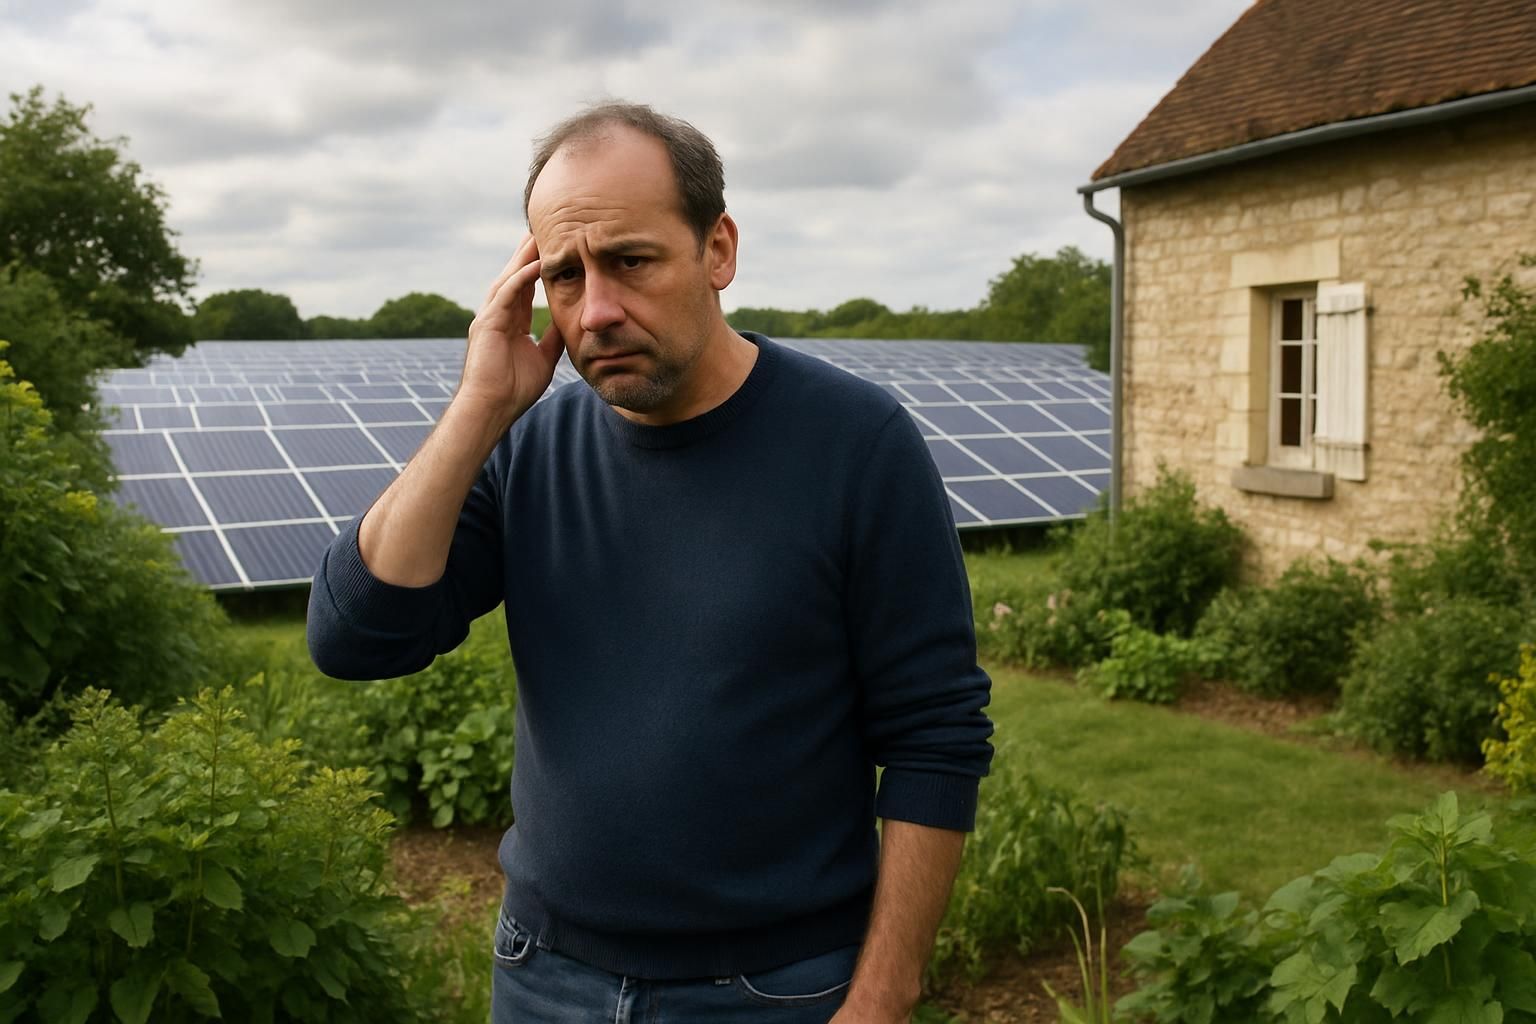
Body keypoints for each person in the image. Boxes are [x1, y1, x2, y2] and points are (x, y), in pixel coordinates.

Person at [307, 101, 993, 1024]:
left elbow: (935, 735)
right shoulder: (526, 449)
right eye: (563, 274)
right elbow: (356, 636)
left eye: (630, 261)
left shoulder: (856, 445)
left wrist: (882, 996)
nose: (596, 310)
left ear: (718, 251)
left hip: (775, 990)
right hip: (543, 975)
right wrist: (479, 409)